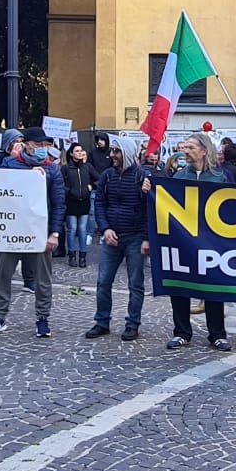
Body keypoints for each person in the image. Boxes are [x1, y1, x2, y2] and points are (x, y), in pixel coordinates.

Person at [0, 127, 65, 338]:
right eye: (38, 145)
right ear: (26, 144)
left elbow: (58, 204)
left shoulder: (52, 170)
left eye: (46, 146)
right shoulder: (9, 165)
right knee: (3, 275)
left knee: (43, 279)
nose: (43, 149)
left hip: (40, 230)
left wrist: (54, 233)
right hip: (12, 230)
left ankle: (43, 318)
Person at [165, 133, 233, 350]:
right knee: (180, 285)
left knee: (213, 286)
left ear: (204, 151)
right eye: (185, 147)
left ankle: (217, 334)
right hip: (183, 240)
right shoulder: (178, 178)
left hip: (210, 241)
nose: (186, 151)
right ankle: (182, 332)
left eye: (191, 147)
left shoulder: (218, 178)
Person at [85, 134, 150, 342]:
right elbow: (100, 204)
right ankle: (102, 321)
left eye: (116, 151)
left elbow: (151, 210)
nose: (112, 155)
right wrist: (104, 228)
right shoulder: (107, 176)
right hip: (112, 237)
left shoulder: (142, 177)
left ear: (127, 153)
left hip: (135, 237)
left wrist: (147, 238)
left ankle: (133, 324)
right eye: (112, 151)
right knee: (103, 281)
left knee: (135, 283)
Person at [60, 142, 97, 267]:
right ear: (71, 153)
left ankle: (82, 256)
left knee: (82, 230)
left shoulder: (87, 167)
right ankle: (71, 255)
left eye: (81, 150)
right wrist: (69, 191)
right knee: (72, 230)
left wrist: (91, 187)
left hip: (84, 202)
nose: (80, 153)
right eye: (76, 151)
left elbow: (98, 178)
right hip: (71, 202)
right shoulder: (66, 168)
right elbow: (61, 184)